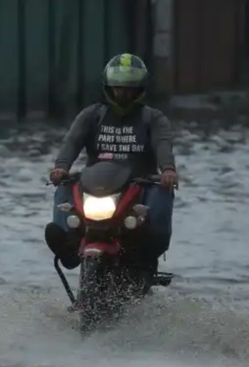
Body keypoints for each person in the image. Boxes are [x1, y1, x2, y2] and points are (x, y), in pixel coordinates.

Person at [45, 53, 178, 270]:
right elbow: (72, 142)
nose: (123, 93)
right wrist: (61, 167)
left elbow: (163, 145)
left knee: (163, 195)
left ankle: (148, 252)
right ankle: (67, 245)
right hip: (97, 186)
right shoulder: (91, 115)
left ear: (140, 89)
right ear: (108, 87)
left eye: (129, 88)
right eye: (118, 87)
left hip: (139, 187)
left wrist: (168, 170)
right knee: (65, 184)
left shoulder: (153, 118)